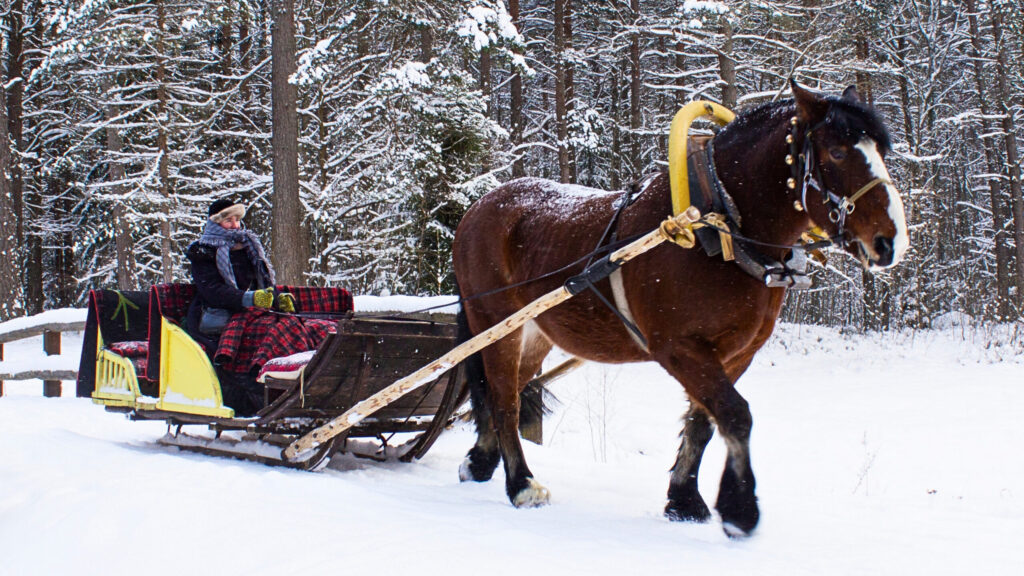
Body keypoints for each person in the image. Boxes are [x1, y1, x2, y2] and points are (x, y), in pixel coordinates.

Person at [184, 197, 294, 414]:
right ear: (215, 223)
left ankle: (289, 382)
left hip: (250, 314)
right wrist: (248, 299)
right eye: (228, 221)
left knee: (288, 325)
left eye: (237, 219)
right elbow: (211, 290)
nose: (235, 225)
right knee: (270, 332)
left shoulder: (249, 247)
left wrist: (278, 297)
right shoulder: (202, 251)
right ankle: (257, 389)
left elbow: (263, 282)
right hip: (216, 315)